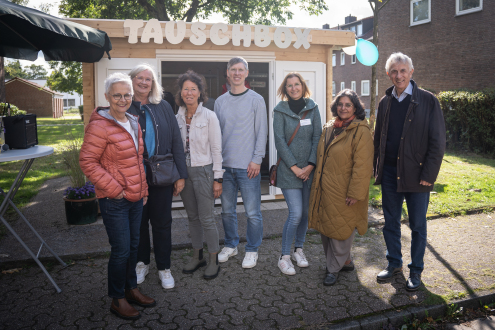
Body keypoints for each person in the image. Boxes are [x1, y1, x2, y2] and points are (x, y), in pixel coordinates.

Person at [79, 73, 155, 320]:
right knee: (121, 250)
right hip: (114, 200)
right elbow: (88, 162)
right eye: (117, 95)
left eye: (127, 95)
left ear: (132, 97)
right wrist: (115, 190)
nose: (123, 99)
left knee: (133, 247)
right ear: (107, 97)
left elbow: (137, 161)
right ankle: (117, 298)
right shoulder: (99, 124)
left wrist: (142, 191)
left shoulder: (133, 121)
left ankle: (131, 289)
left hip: (135, 197)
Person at [374, 53, 446, 291]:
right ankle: (394, 263)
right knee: (390, 222)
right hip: (389, 174)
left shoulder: (427, 100)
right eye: (394, 71)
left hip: (418, 175)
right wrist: (377, 168)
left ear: (411, 72)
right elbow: (378, 140)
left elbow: (438, 141)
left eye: (403, 70)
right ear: (388, 74)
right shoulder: (385, 102)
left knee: (417, 225)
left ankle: (416, 271)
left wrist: (429, 174)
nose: (399, 75)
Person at [127, 64, 188, 290]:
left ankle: (164, 267)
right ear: (131, 80)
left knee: (162, 223)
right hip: (133, 176)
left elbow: (176, 143)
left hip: (161, 176)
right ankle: (142, 263)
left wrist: (181, 175)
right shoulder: (124, 106)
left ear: (153, 84)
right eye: (139, 78)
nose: (144, 82)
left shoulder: (163, 106)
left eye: (148, 79)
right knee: (139, 223)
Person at [308, 89, 373, 286]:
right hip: (325, 188)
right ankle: (344, 261)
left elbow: (362, 166)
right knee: (327, 228)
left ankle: (332, 269)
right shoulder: (330, 127)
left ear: (355, 108)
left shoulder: (361, 131)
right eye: (340, 104)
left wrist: (355, 193)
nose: (343, 108)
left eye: (348, 105)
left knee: (340, 231)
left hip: (345, 191)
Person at [214, 57, 268, 269]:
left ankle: (252, 249)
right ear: (227, 73)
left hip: (248, 168)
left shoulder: (256, 99)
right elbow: (216, 136)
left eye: (240, 70)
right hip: (225, 168)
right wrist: (217, 167)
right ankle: (231, 245)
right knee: (227, 211)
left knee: (252, 212)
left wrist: (257, 160)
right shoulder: (220, 102)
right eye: (233, 70)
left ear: (246, 72)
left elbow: (261, 132)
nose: (236, 73)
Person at [175, 70, 223, 280]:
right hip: (184, 172)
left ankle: (214, 259)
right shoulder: (176, 115)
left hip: (204, 171)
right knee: (192, 217)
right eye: (186, 89)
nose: (189, 92)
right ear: (181, 92)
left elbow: (217, 149)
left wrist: (217, 178)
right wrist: (177, 174)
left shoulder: (209, 116)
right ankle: (198, 256)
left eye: (193, 89)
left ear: (200, 92)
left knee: (206, 218)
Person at [273, 72, 322, 275]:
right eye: (289, 85)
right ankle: (284, 257)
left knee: (305, 214)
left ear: (303, 86)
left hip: (309, 171)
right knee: (295, 214)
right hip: (288, 171)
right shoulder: (280, 110)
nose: (293, 88)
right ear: (285, 90)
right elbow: (279, 141)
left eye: (297, 84)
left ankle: (298, 250)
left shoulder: (313, 108)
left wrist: (310, 165)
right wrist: (294, 167)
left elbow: (317, 137)